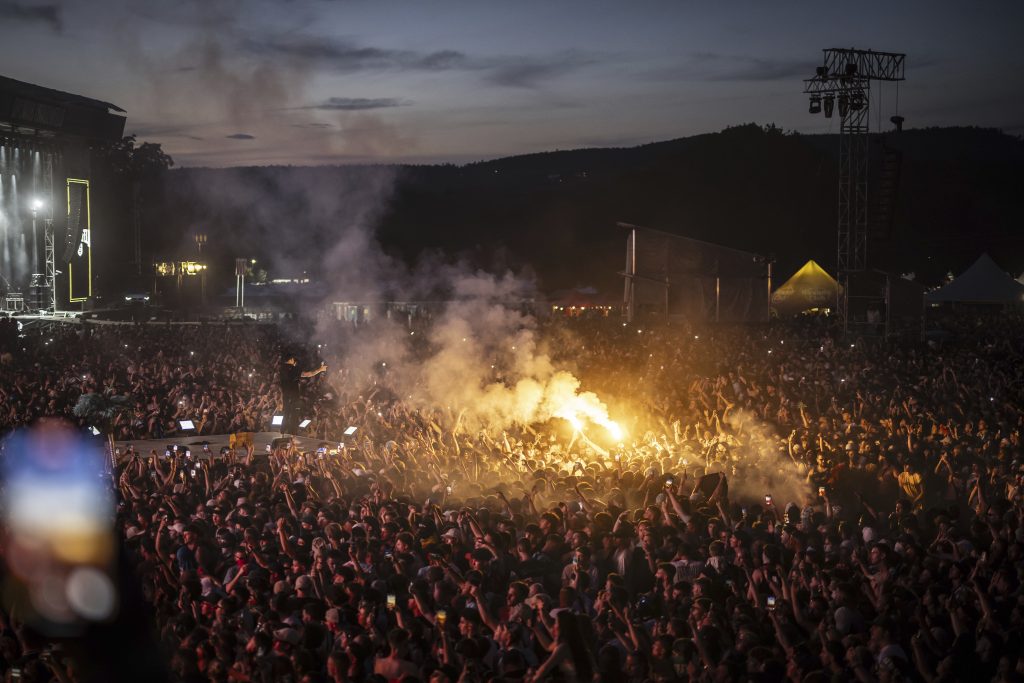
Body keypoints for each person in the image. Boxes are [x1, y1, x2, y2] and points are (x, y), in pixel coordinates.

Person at [279, 349, 327, 435]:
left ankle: (282, 432)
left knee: (286, 414)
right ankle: (291, 435)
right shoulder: (293, 369)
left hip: (285, 396)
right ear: (291, 359)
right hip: (293, 396)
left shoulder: (281, 369)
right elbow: (308, 374)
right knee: (294, 415)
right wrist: (320, 369)